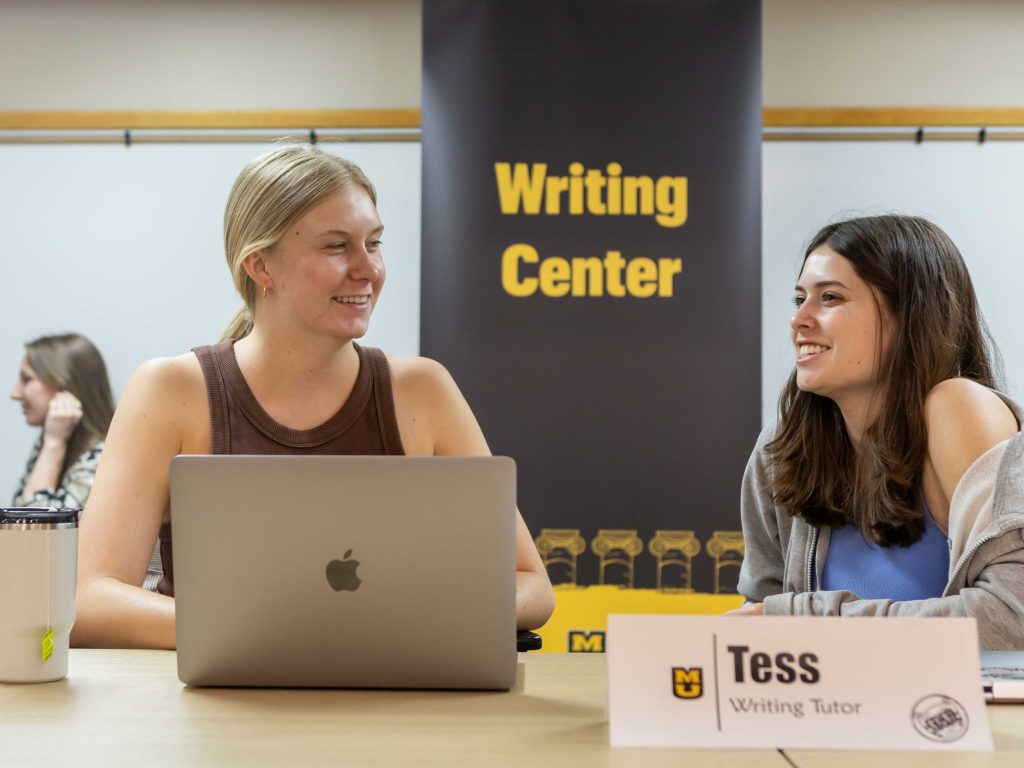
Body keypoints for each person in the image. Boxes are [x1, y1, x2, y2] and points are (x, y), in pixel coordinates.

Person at [72, 143, 555, 648]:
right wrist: (278, 634)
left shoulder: (424, 391)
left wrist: (412, 619)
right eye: (336, 246)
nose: (368, 269)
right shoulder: (171, 391)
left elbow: (531, 585)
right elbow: (88, 600)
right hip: (217, 717)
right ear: (260, 267)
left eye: (374, 243)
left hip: (395, 714)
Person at [733, 215, 1024, 650]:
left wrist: (804, 618)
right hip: (825, 712)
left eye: (829, 297)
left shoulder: (959, 407)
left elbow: (1012, 618)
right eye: (799, 299)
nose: (799, 321)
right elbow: (762, 626)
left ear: (908, 315)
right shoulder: (783, 446)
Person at [10, 333, 115, 510]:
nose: (14, 393)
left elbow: (38, 531)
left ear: (65, 386)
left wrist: (53, 444)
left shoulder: (103, 459)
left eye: (26, 379)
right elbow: (17, 524)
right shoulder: (53, 437)